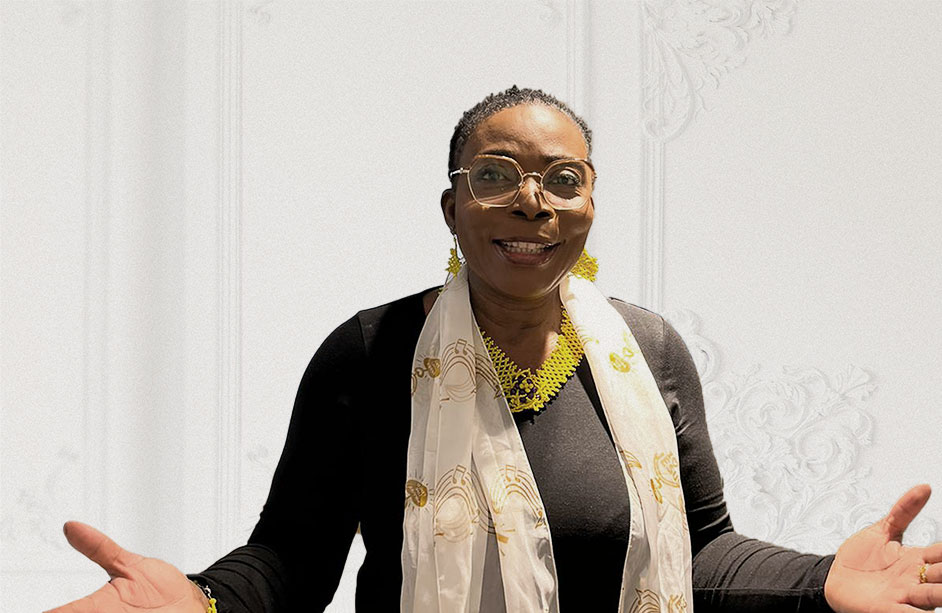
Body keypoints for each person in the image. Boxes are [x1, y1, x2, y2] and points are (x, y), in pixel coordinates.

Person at [46, 86, 942, 613]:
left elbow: (701, 552)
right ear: (452, 207)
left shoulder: (650, 349)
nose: (531, 202)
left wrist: (824, 581)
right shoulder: (371, 352)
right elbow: (294, 557)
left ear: (589, 204)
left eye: (562, 180)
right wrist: (201, 599)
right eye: (495, 176)